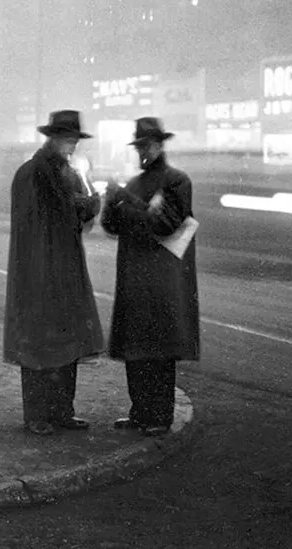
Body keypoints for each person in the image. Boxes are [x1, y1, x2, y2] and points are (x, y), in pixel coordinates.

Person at [3, 109, 104, 436]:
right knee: (38, 343)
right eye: (68, 139)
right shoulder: (34, 173)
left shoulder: (64, 171)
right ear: (54, 138)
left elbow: (78, 218)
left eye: (75, 139)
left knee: (66, 341)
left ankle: (61, 411)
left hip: (63, 267)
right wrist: (87, 202)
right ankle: (38, 414)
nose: (73, 145)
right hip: (38, 270)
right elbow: (60, 214)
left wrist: (86, 197)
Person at [101, 117, 200, 437]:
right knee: (137, 347)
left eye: (148, 145)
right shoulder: (135, 184)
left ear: (160, 145)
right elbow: (112, 227)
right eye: (140, 146)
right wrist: (112, 203)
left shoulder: (177, 181)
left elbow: (166, 224)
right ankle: (140, 411)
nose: (144, 151)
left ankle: (159, 415)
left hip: (161, 278)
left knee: (157, 347)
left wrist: (127, 204)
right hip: (137, 274)